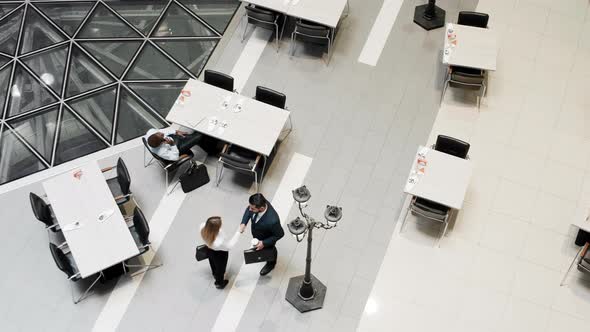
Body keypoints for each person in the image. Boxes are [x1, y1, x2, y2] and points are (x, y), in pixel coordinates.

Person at [240, 193, 284, 276]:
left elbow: (280, 234)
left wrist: (264, 243)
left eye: (252, 209)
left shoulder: (273, 220)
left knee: (270, 250)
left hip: (266, 239)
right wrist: (243, 223)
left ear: (262, 208)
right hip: (258, 234)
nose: (250, 209)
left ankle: (271, 264)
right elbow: (248, 210)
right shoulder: (258, 203)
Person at [200, 216, 241, 289]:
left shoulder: (202, 227)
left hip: (209, 249)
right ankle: (219, 283)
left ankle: (214, 274)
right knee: (220, 268)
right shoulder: (219, 242)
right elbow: (229, 246)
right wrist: (239, 232)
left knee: (212, 262)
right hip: (220, 253)